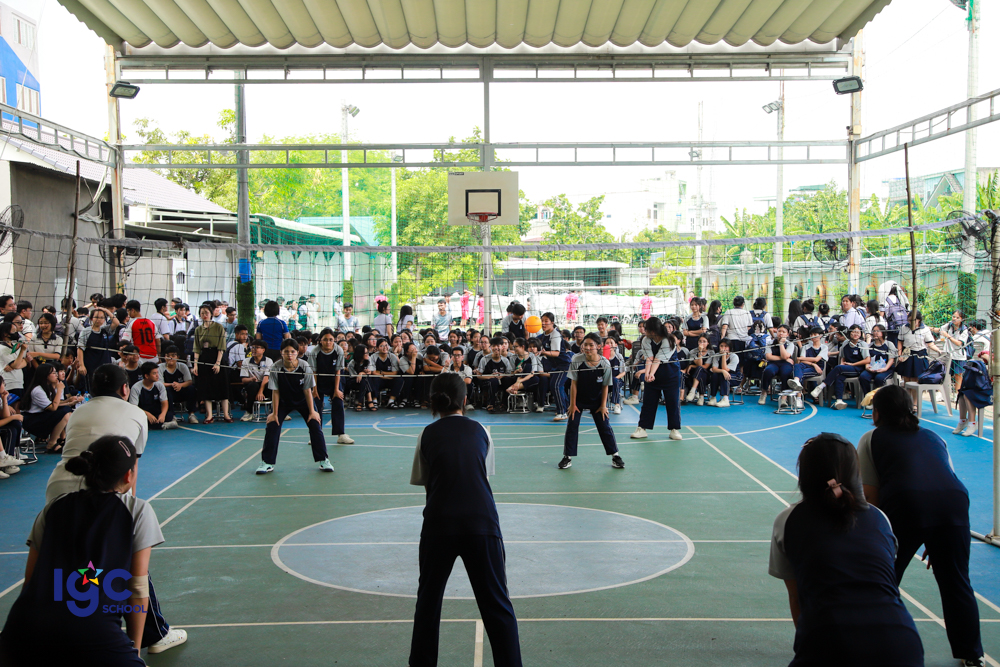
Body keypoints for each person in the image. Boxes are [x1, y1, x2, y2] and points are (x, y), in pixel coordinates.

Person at [768, 431, 923, 666]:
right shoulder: (880, 518)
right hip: (901, 640)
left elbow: (797, 597)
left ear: (805, 473)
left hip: (830, 637)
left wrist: (808, 646)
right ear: (855, 471)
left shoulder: (788, 520)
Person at [0, 437, 159, 665]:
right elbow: (137, 589)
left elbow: (31, 580)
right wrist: (133, 650)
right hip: (93, 634)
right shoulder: (137, 510)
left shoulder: (53, 507)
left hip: (22, 631)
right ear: (128, 475)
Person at [858, 386, 984, 667]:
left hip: (905, 504)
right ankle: (972, 655)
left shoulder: (871, 438)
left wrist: (876, 541)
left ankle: (875, 646)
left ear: (877, 413)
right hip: (953, 506)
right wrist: (935, 532)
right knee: (956, 581)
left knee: (883, 579)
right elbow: (945, 478)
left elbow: (870, 496)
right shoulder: (935, 437)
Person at [408, 373, 522, 667]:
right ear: (465, 400)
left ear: (433, 402)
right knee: (497, 604)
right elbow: (483, 476)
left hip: (439, 524)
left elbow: (425, 482)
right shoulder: (482, 431)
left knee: (428, 603)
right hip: (481, 523)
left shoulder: (426, 434)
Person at [256, 338, 334, 475]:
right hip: (283, 401)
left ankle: (323, 460)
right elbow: (275, 392)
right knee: (273, 425)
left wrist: (312, 411)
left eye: (292, 351)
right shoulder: (275, 367)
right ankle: (267, 462)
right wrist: (274, 413)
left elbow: (308, 391)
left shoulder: (305, 366)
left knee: (315, 424)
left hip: (303, 401)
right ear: (281, 352)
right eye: (286, 351)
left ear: (297, 352)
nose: (289, 354)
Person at [558, 333, 623, 470]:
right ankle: (567, 457)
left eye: (591, 345)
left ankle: (615, 456)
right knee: (572, 425)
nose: (587, 348)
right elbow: (573, 384)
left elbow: (605, 386)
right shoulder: (577, 359)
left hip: (597, 400)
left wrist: (603, 406)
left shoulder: (605, 363)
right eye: (585, 345)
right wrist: (572, 404)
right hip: (579, 399)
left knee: (604, 426)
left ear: (598, 346)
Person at [631, 317, 682, 441]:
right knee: (648, 402)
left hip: (670, 375)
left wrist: (651, 373)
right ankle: (642, 428)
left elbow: (658, 359)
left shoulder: (669, 340)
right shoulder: (646, 340)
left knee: (672, 402)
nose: (644, 330)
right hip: (654, 376)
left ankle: (674, 429)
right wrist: (648, 374)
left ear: (653, 331)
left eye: (646, 329)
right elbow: (649, 358)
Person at [22, 362, 81, 453]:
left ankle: (61, 438)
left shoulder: (47, 386)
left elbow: (54, 405)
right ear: (45, 375)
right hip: (32, 420)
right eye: (53, 373)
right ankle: (52, 443)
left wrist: (69, 403)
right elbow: (53, 407)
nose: (56, 375)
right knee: (65, 412)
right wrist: (59, 390)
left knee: (68, 410)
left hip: (41, 415)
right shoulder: (38, 390)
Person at [307, 329, 354, 443]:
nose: (328, 342)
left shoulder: (338, 350)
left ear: (334, 340)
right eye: (325, 340)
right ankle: (315, 435)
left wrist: (337, 389)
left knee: (338, 402)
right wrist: (314, 390)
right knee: (316, 406)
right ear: (320, 340)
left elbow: (338, 372)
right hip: (318, 380)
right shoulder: (314, 352)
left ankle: (341, 434)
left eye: (331, 340)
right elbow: (313, 372)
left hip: (334, 379)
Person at [809, 324, 869, 409]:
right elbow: (843, 357)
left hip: (858, 367)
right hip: (846, 367)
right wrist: (842, 364)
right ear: (849, 333)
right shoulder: (845, 343)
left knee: (838, 368)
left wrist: (853, 364)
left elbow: (867, 360)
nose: (856, 334)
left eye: (858, 332)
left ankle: (821, 386)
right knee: (839, 376)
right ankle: (839, 400)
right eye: (853, 332)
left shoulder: (863, 344)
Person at [193, 304, 232, 423]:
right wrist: (195, 365)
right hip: (204, 358)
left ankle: (226, 414)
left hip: (217, 357)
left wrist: (218, 363)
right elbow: (196, 348)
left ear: (211, 314)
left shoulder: (219, 327)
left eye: (206, 312)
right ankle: (209, 415)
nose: (204, 315)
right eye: (202, 313)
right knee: (206, 387)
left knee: (222, 386)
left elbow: (221, 346)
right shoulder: (198, 329)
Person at [536, 312, 571, 421]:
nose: (543, 323)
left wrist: (543, 352)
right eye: (542, 321)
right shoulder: (543, 336)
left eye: (546, 321)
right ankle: (567, 407)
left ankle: (562, 412)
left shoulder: (555, 335)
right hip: (555, 366)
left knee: (556, 385)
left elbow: (556, 353)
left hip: (563, 365)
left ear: (552, 322)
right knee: (555, 386)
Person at [129, 362, 178, 430]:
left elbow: (164, 402)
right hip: (143, 412)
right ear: (146, 376)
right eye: (154, 373)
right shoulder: (136, 388)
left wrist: (163, 414)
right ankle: (161, 425)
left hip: (156, 412)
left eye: (157, 373)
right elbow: (134, 407)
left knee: (169, 415)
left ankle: (156, 425)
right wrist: (147, 414)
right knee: (138, 419)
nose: (157, 375)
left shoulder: (159, 385)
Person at [896, 311, 940, 385]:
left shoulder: (925, 329)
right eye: (909, 320)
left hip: (920, 355)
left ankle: (915, 393)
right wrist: (900, 354)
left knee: (917, 379)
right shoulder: (904, 328)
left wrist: (938, 350)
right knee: (906, 377)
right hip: (907, 354)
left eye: (913, 320)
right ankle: (907, 392)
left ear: (919, 320)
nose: (911, 322)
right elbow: (900, 341)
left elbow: (930, 343)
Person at [932, 309, 970, 395]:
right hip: (948, 354)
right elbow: (940, 330)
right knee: (944, 374)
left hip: (959, 356)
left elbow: (959, 343)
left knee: (958, 376)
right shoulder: (949, 325)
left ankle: (957, 394)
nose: (954, 319)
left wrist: (948, 336)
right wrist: (927, 328)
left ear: (962, 319)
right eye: (953, 316)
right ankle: (942, 393)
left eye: (957, 317)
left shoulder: (964, 330)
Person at [759, 325, 795, 405]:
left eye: (783, 332)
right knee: (768, 371)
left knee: (786, 373)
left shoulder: (790, 344)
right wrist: (785, 358)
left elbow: (785, 355)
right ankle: (764, 393)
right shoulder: (770, 343)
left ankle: (783, 398)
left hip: (786, 364)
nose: (781, 333)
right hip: (773, 363)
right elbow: (768, 357)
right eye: (779, 331)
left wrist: (781, 344)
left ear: (787, 334)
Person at [160, 345, 196, 423]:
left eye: (173, 355)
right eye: (168, 356)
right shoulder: (160, 367)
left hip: (181, 391)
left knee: (191, 388)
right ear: (164, 357)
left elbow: (189, 381)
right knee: (166, 390)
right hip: (168, 392)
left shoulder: (183, 366)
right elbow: (160, 383)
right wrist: (173, 384)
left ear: (178, 357)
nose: (170, 358)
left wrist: (180, 385)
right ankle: (172, 416)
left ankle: (191, 414)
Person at [858, 324, 896, 396]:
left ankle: (879, 397)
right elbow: (867, 359)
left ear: (883, 332)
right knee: (863, 377)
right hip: (872, 369)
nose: (875, 333)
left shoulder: (889, 344)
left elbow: (891, 359)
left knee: (879, 378)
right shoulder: (869, 345)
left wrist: (885, 369)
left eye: (878, 331)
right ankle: (868, 396)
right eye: (874, 331)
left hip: (886, 369)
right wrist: (867, 367)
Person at [719, 296, 752, 367]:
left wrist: (722, 338)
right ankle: (740, 374)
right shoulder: (747, 313)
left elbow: (725, 326)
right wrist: (742, 330)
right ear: (743, 304)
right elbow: (749, 326)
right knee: (741, 363)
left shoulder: (729, 312)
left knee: (730, 361)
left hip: (731, 340)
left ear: (733, 303)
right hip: (743, 340)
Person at [707, 339, 739, 407]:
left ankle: (725, 399)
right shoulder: (716, 355)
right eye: (721, 346)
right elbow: (714, 369)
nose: (723, 348)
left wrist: (723, 356)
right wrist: (722, 371)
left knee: (724, 376)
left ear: (729, 347)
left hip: (735, 377)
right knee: (714, 375)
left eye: (726, 346)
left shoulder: (734, 356)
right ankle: (713, 397)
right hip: (721, 375)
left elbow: (726, 369)